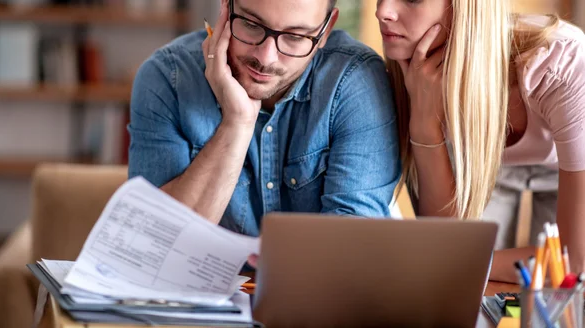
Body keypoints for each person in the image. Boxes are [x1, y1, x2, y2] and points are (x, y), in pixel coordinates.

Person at [128, 0, 400, 240]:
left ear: (326, 29)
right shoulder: (168, 78)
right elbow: (154, 242)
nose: (265, 57)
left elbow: (354, 245)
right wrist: (237, 123)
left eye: (295, 37)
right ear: (226, 6)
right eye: (251, 24)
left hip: (314, 295)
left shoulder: (354, 81)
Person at [377, 0, 585, 281]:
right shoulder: (407, 76)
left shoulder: (561, 65)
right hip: (484, 163)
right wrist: (425, 126)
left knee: (561, 294)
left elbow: (572, 260)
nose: (382, 11)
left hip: (566, 168)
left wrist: (457, 265)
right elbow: (447, 242)